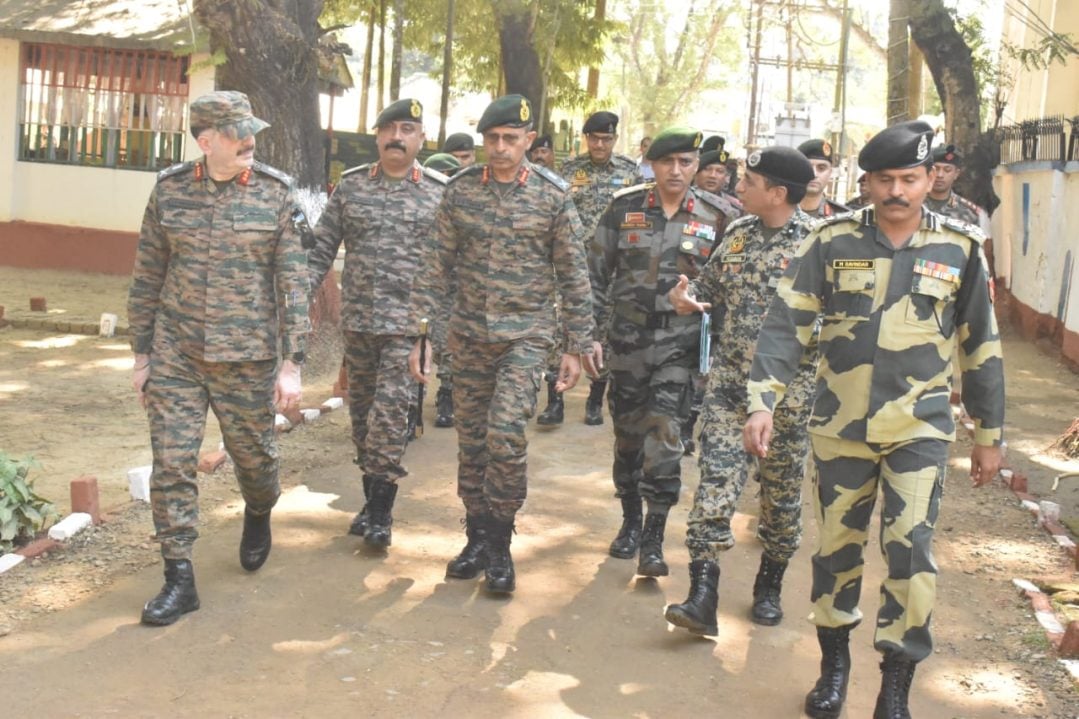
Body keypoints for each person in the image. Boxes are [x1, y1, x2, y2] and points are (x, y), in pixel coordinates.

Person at [742, 121, 1004, 718]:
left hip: (920, 429)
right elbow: (786, 326)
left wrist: (989, 437)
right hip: (840, 428)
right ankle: (834, 666)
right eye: (884, 179)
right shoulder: (830, 242)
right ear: (866, 182)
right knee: (836, 550)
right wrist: (764, 400)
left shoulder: (959, 250)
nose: (897, 191)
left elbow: (981, 348)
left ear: (927, 179)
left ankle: (895, 685)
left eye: (909, 179)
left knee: (910, 555)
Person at [127, 90, 310, 625]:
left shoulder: (276, 195)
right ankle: (178, 577)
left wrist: (291, 363)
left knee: (253, 460)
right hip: (176, 353)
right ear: (206, 142)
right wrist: (142, 356)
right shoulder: (170, 192)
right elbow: (147, 276)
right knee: (172, 463)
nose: (251, 140)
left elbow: (293, 283)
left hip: (247, 357)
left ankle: (259, 507)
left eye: (252, 129)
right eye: (237, 132)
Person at [409, 94, 595, 595]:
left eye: (510, 139)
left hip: (526, 336)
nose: (500, 148)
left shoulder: (553, 196)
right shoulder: (461, 191)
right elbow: (434, 267)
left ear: (529, 141)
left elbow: (574, 275)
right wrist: (423, 335)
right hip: (467, 335)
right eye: (491, 139)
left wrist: (575, 347)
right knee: (471, 443)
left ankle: (500, 543)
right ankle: (475, 536)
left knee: (506, 435)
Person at [665, 146, 817, 636]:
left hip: (790, 401)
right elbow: (708, 291)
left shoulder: (819, 245)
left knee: (780, 499)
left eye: (749, 181)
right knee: (714, 489)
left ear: (777, 192)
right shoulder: (738, 233)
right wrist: (688, 300)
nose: (738, 187)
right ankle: (701, 597)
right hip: (730, 391)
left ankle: (769, 586)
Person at [588, 126, 726, 578]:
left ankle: (653, 536)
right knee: (627, 438)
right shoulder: (624, 207)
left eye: (686, 162)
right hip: (627, 341)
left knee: (666, 436)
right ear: (652, 163)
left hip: (680, 346)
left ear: (696, 167)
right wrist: (587, 335)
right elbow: (593, 273)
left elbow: (727, 285)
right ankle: (629, 521)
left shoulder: (717, 216)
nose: (676, 170)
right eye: (668, 162)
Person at [308, 98, 446, 550]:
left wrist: (431, 336)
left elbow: (451, 269)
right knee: (363, 420)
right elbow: (320, 250)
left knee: (389, 419)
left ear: (422, 139)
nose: (397, 137)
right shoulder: (351, 188)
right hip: (360, 326)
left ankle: (382, 515)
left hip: (407, 329)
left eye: (408, 129)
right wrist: (294, 302)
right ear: (377, 136)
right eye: (390, 128)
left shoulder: (440, 192)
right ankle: (370, 502)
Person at [561, 110, 640, 426]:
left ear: (614, 140)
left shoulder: (630, 172)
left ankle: (595, 399)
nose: (599, 144)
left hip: (611, 267)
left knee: (604, 330)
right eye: (593, 138)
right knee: (563, 327)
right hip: (572, 264)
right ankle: (555, 398)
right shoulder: (569, 171)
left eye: (605, 139)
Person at [926, 144, 995, 278]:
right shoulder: (911, 208)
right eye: (936, 169)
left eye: (947, 170)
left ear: (956, 174)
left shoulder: (973, 214)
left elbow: (982, 258)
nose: (940, 175)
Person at [797, 139, 849, 218]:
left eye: (821, 168)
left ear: (830, 172)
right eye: (808, 167)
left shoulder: (842, 218)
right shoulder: (777, 211)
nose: (814, 174)